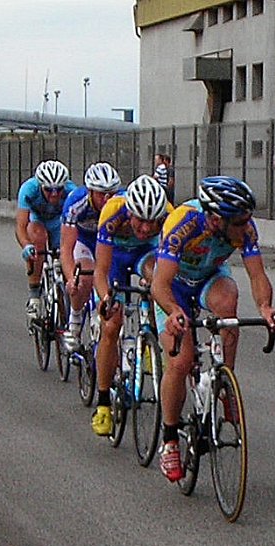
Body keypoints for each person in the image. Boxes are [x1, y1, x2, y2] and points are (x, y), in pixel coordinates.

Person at [152, 176, 275, 482]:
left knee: (228, 301)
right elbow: (159, 284)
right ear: (214, 219)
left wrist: (265, 307)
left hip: (209, 278)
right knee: (181, 362)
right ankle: (170, 439)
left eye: (246, 220)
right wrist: (172, 312)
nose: (245, 228)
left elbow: (257, 275)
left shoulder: (243, 227)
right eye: (238, 223)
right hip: (174, 288)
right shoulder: (183, 222)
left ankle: (225, 382)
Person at [91, 175, 173, 436]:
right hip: (115, 257)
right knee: (112, 324)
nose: (146, 228)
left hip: (144, 254)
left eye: (153, 222)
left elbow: (168, 268)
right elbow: (100, 271)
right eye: (140, 220)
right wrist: (106, 299)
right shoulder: (113, 210)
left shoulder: (170, 215)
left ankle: (148, 330)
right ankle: (103, 402)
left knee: (155, 275)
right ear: (129, 212)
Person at [59, 162, 122, 348]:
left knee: (113, 283)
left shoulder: (121, 202)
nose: (107, 198)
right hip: (84, 241)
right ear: (90, 191)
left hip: (108, 243)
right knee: (85, 278)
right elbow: (66, 248)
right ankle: (75, 320)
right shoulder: (75, 203)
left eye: (111, 193)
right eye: (101, 193)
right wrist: (72, 278)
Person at [15, 160, 76, 320]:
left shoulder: (71, 191)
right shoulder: (28, 189)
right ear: (41, 185)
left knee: (64, 254)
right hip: (38, 220)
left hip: (59, 221)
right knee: (38, 240)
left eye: (58, 190)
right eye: (49, 190)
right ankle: (34, 295)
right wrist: (27, 246)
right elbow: (21, 227)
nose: (54, 194)